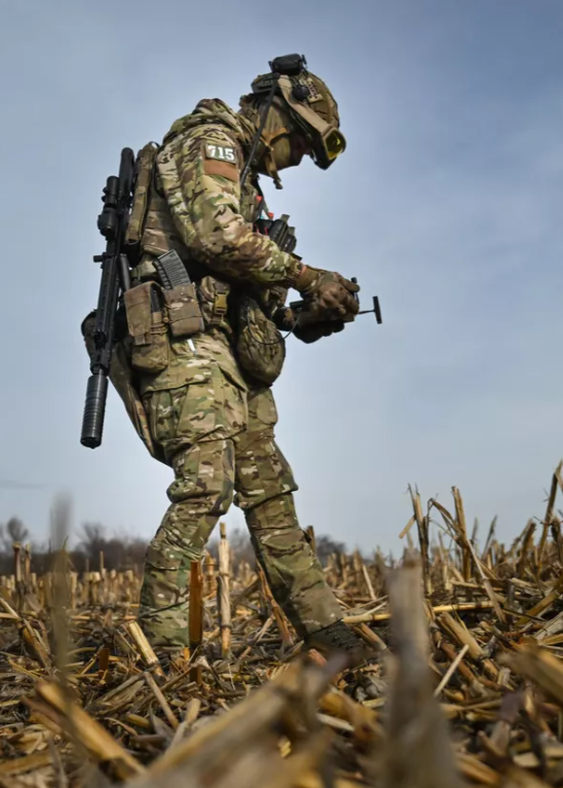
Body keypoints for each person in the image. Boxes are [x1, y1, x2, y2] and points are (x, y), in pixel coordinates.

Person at [109, 54, 372, 663]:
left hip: (222, 344)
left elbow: (243, 284)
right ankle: (163, 655)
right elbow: (216, 238)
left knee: (270, 490)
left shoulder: (248, 183)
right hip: (181, 339)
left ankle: (327, 633)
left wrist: (299, 319)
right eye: (301, 143)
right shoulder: (210, 143)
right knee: (207, 483)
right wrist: (309, 276)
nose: (299, 158)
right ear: (278, 114)